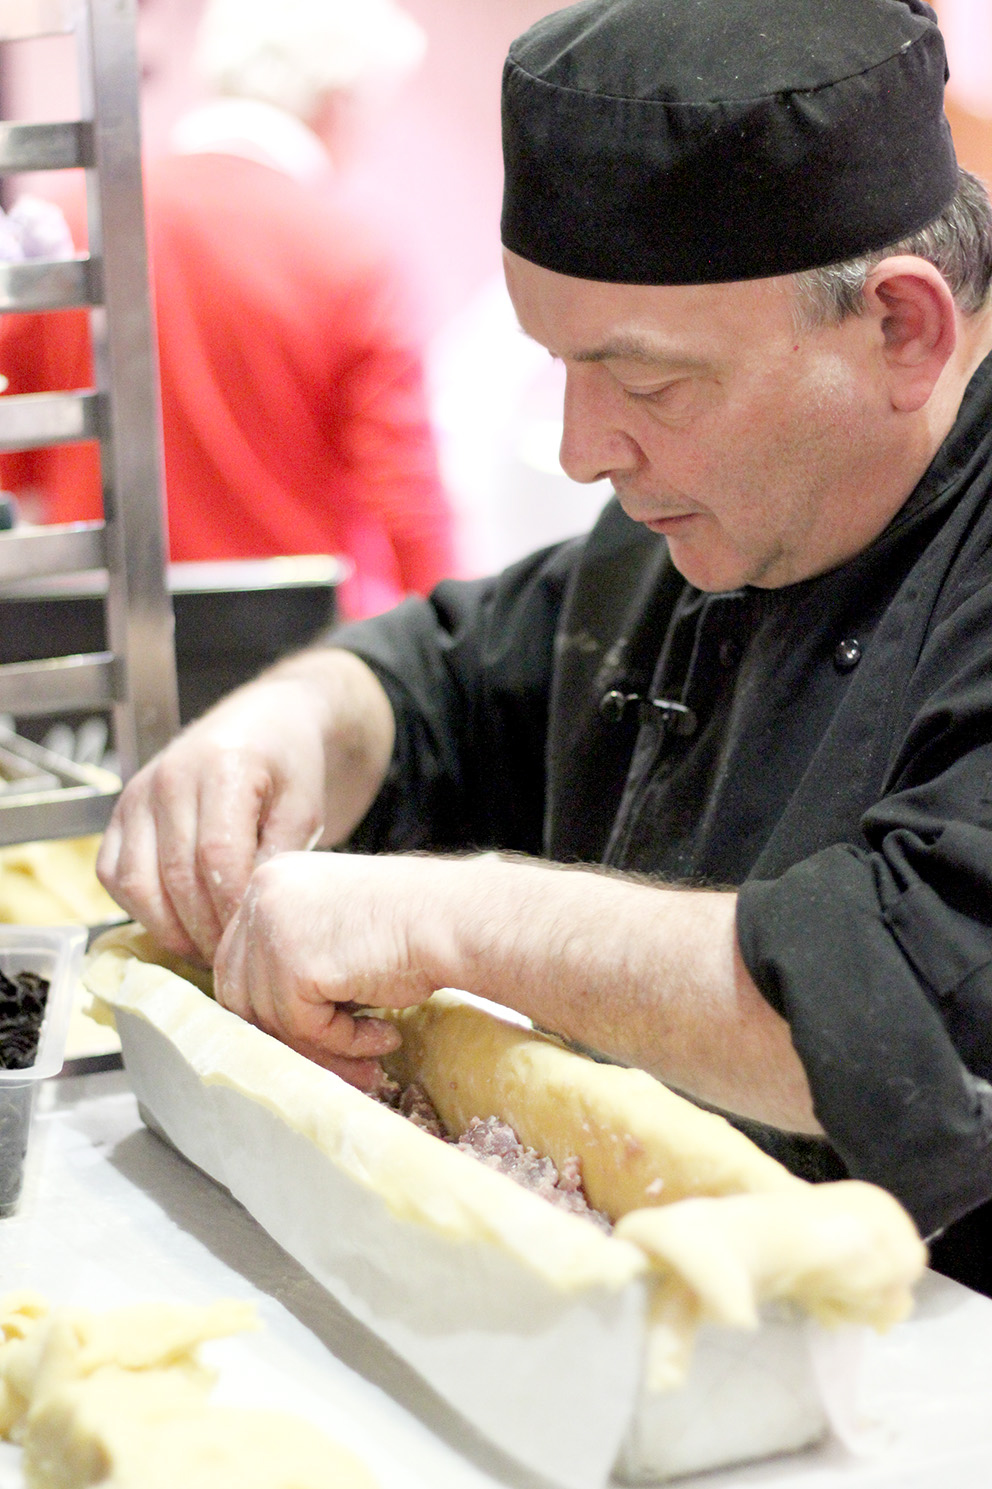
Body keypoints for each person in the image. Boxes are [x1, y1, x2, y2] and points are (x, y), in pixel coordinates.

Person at [98, 0, 992, 1297]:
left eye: (648, 380)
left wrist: (439, 920)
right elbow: (449, 675)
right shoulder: (693, 518)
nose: (583, 450)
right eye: (562, 367)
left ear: (902, 330)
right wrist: (281, 730)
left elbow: (911, 989)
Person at [0, 0, 457, 620]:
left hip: (99, 634)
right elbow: (407, 502)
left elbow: (13, 456)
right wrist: (468, 651)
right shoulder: (348, 254)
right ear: (339, 102)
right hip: (287, 652)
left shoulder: (73, 223)